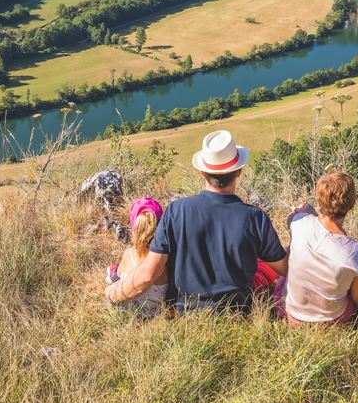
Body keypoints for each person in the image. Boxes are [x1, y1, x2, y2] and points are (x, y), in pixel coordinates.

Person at [104, 130, 288, 314]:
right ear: (238, 171)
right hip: (238, 313)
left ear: (202, 171)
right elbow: (283, 268)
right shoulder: (256, 218)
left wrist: (113, 295)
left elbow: (148, 275)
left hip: (184, 314)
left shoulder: (176, 211)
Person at [275, 171, 358, 324]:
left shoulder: (298, 223)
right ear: (352, 203)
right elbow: (357, 299)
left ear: (319, 200)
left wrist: (304, 210)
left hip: (289, 312)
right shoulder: (357, 252)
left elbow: (291, 218)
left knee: (288, 252)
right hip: (332, 320)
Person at [105, 197, 168, 317]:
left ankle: (112, 270)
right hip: (155, 313)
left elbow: (117, 278)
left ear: (135, 228)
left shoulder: (129, 254)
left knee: (114, 275)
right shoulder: (165, 260)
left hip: (127, 311)